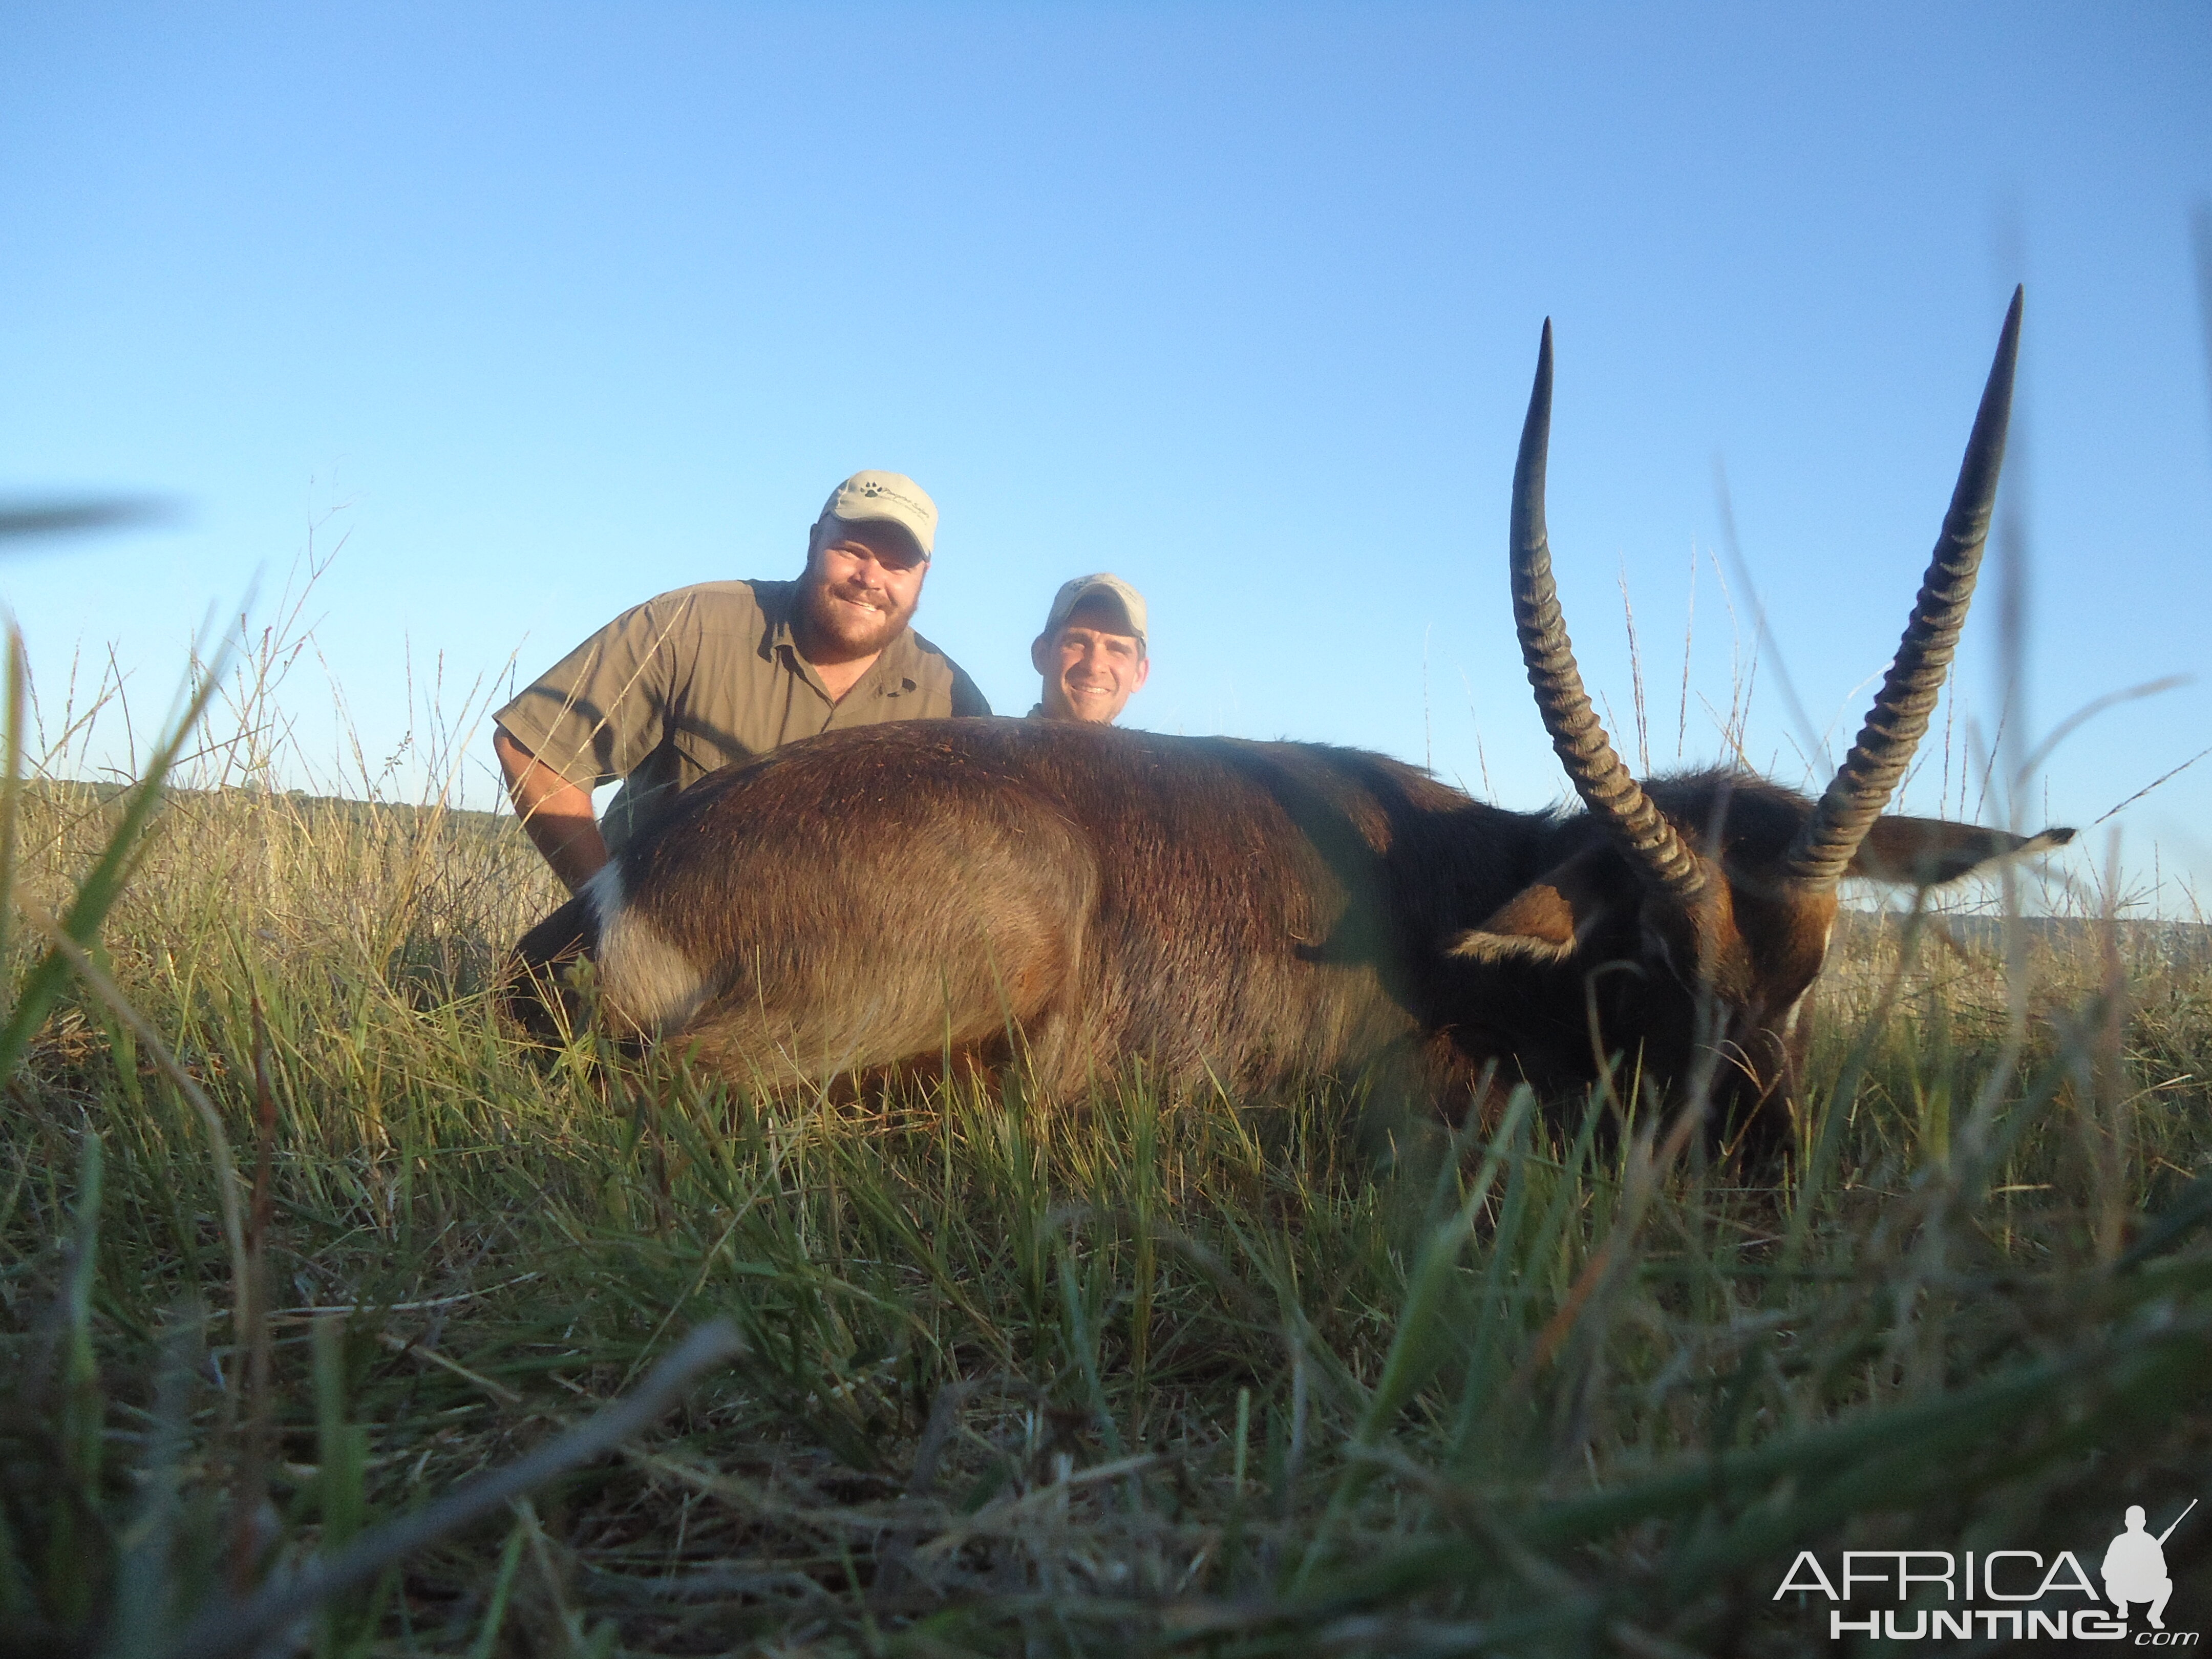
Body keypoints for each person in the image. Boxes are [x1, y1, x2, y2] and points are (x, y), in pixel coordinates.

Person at [494, 470, 989, 892]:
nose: (870, 577)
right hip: (666, 964)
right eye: (852, 550)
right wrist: (605, 921)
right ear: (815, 540)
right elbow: (533, 751)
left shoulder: (953, 703)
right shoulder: (689, 626)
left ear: (923, 575)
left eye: (897, 564)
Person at [1028, 573, 1149, 725]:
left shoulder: (1154, 750)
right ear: (1041, 655)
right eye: (1077, 643)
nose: (1094, 666)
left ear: (1139, 675)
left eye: (1117, 650)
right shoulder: (992, 748)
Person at [2102, 1505, 2174, 1629]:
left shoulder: (2151, 1542)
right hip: (2123, 1590)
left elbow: (2163, 1572)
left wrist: (2146, 1570)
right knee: (2109, 1584)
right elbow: (2106, 1571)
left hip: (2145, 1590)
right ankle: (2122, 1606)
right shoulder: (2119, 1542)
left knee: (2167, 1584)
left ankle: (2154, 1615)